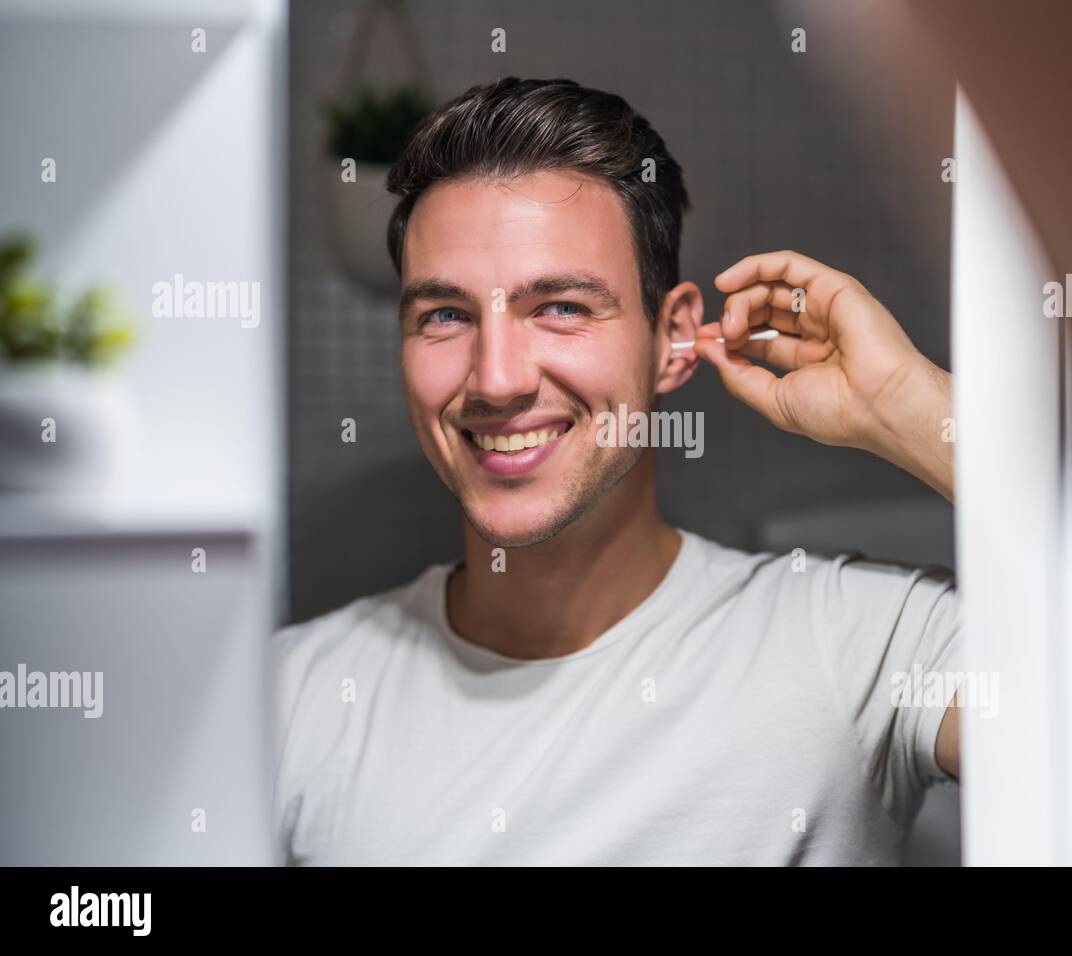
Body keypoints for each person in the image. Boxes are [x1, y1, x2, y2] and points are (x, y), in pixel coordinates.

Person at [272, 77, 961, 865]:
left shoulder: (865, 643)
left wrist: (913, 405)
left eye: (561, 306)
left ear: (673, 339)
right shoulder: (292, 702)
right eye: (446, 316)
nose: (497, 380)